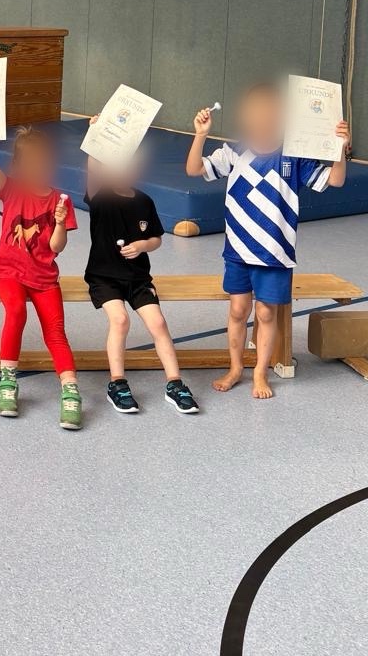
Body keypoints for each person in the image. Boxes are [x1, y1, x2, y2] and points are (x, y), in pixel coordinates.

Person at [186, 84, 349, 399]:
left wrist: (339, 149)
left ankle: (260, 372)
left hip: (275, 253)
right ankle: (235, 368)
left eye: (270, 111)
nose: (262, 117)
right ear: (245, 116)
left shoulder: (294, 155)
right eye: (256, 111)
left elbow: (335, 180)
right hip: (237, 251)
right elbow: (194, 169)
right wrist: (200, 135)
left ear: (283, 116)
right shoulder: (234, 152)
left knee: (265, 313)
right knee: (238, 310)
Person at [0, 122, 81, 429]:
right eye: (29, 163)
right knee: (16, 311)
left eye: (41, 163)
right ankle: (7, 381)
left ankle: (70, 390)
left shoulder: (60, 201)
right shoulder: (12, 188)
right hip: (11, 273)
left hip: (44, 278)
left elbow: (56, 246)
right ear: (18, 165)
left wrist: (59, 223)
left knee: (55, 331)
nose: (36, 169)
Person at [82, 128, 198, 415]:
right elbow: (92, 168)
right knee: (120, 320)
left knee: (158, 323)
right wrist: (96, 133)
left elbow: (156, 239)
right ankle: (117, 383)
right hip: (104, 277)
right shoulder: (100, 196)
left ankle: (175, 383)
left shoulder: (144, 201)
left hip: (137, 278)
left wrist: (142, 246)